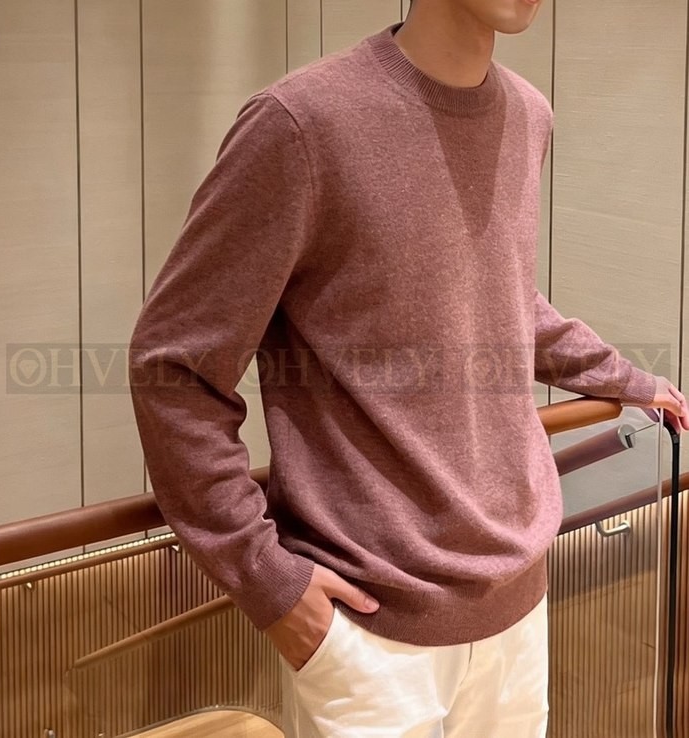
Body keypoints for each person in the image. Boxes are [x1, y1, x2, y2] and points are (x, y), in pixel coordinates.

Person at [128, 1, 689, 735]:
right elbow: (175, 368)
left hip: (519, 600)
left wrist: (630, 380)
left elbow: (499, 297)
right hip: (366, 629)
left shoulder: (528, 116)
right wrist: (267, 580)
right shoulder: (301, 124)